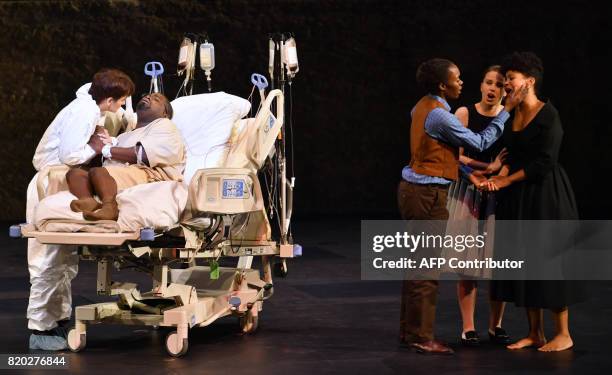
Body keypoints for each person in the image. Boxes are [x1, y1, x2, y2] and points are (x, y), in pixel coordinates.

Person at [398, 58, 526, 354]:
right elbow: (479, 142)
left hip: (418, 190)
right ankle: (420, 336)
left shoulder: (423, 105)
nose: (461, 83)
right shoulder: (440, 114)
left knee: (418, 265)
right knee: (426, 268)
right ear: (443, 84)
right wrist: (506, 111)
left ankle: (410, 331)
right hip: (426, 193)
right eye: (456, 79)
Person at [484, 52, 586, 352]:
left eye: (510, 80)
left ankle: (564, 333)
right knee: (525, 259)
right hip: (520, 196)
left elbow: (545, 161)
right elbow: (508, 155)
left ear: (529, 81)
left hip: (546, 194)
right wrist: (497, 175)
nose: (506, 86)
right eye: (504, 81)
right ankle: (535, 332)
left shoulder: (548, 114)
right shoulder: (512, 114)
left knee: (548, 261)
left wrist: (506, 179)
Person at [27, 69, 135, 350]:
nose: (121, 107)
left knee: (64, 262)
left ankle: (57, 321)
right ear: (109, 100)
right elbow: (70, 155)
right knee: (48, 259)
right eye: (121, 101)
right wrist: (95, 145)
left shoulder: (91, 107)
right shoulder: (84, 112)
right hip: (51, 182)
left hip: (62, 181)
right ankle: (40, 329)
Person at [448, 65, 511, 346]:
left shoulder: (508, 118)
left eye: (498, 85)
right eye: (488, 82)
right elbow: (453, 156)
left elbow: (512, 157)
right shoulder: (464, 113)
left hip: (497, 193)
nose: (492, 89)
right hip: (468, 192)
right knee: (468, 264)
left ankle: (496, 325)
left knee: (497, 263)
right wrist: (485, 170)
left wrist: (498, 175)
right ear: (481, 84)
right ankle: (468, 327)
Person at [66, 92, 185, 221]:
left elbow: (144, 155)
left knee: (98, 172)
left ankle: (109, 207)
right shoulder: (125, 136)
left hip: (149, 175)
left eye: (156, 99)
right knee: (75, 174)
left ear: (165, 113)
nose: (148, 97)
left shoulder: (165, 125)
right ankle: (88, 200)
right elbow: (107, 154)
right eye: (147, 95)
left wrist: (105, 149)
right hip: (113, 176)